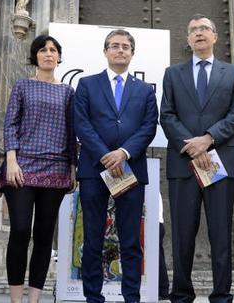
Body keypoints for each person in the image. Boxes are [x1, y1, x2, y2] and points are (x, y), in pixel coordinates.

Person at [159, 14, 234, 303]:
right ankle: (181, 294)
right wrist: (193, 146)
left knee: (221, 233)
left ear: (215, 36)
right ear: (187, 39)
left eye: (204, 28)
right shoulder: (173, 74)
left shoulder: (233, 73)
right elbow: (167, 115)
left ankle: (221, 295)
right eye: (193, 29)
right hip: (184, 164)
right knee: (182, 233)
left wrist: (208, 139)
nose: (198, 33)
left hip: (221, 163)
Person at [74, 29, 158, 303]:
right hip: (94, 171)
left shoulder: (145, 90)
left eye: (125, 47)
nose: (120, 50)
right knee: (94, 238)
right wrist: (105, 155)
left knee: (131, 239)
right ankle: (92, 297)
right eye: (115, 46)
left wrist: (123, 153)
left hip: (130, 170)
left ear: (132, 53)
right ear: (105, 51)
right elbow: (82, 124)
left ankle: (131, 296)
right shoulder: (87, 84)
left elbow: (148, 127)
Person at [0, 34, 76, 303]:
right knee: (20, 229)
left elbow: (71, 131)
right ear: (35, 56)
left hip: (55, 169)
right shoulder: (22, 86)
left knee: (44, 235)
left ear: (58, 57)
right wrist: (11, 160)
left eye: (53, 50)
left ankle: (34, 299)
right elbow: (10, 123)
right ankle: (16, 299)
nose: (48, 54)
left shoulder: (68, 92)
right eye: (43, 50)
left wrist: (72, 168)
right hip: (22, 167)